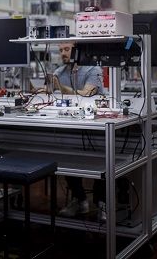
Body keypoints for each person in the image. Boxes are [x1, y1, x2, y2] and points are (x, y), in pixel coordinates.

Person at [48, 42, 105, 217]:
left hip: (97, 129)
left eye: (67, 49)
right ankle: (79, 200)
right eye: (61, 51)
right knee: (66, 158)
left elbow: (87, 93)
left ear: (77, 50)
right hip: (72, 127)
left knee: (103, 162)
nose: (63, 54)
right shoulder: (59, 73)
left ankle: (101, 203)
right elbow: (49, 94)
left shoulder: (92, 70)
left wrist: (63, 89)